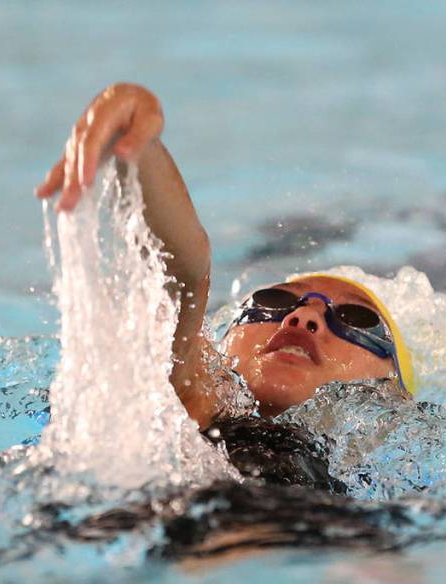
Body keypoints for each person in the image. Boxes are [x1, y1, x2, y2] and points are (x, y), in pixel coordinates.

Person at [35, 82, 416, 433]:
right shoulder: (193, 408)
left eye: (356, 318)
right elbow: (183, 277)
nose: (305, 316)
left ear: (395, 393)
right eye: (273, 301)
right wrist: (135, 144)